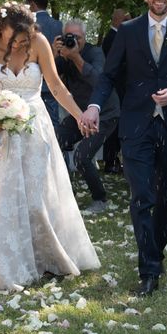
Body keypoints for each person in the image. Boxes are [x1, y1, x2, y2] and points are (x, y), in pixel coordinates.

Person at [81, 0, 167, 296]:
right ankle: (149, 270)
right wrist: (94, 105)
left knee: (166, 199)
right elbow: (108, 76)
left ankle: (156, 253)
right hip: (137, 124)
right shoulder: (128, 31)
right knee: (141, 197)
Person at [0, 2, 100, 292]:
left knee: (38, 193)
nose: (21, 42)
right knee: (4, 194)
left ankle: (46, 256)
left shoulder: (38, 42)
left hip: (34, 127)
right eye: (15, 36)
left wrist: (79, 116)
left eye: (25, 35)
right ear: (0, 29)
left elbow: (55, 86)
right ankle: (7, 260)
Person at [53, 20, 120, 213]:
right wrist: (53, 52)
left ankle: (100, 199)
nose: (73, 41)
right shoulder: (63, 52)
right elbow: (51, 75)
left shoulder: (95, 52)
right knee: (53, 141)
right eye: (69, 37)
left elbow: (100, 81)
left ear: (85, 38)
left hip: (104, 113)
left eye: (78, 37)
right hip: (78, 113)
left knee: (82, 157)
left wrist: (75, 57)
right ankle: (66, 193)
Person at [25, 0, 63, 129]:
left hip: (30, 82)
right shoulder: (57, 25)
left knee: (31, 124)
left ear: (33, 5)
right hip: (51, 81)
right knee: (53, 123)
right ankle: (59, 149)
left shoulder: (27, 26)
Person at [102, 8, 131, 174]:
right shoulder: (112, 38)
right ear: (119, 20)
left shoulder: (115, 37)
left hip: (121, 87)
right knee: (115, 126)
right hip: (118, 88)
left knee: (119, 125)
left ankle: (114, 159)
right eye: (126, 19)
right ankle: (110, 161)